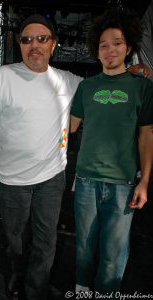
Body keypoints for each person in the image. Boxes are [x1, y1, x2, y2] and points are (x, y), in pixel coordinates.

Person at [0, 13, 151, 300]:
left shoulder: (69, 81)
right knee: (16, 240)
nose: (35, 45)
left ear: (54, 45)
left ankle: (35, 289)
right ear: (20, 45)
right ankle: (17, 268)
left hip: (52, 177)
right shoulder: (3, 77)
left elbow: (104, 83)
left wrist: (133, 70)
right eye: (27, 39)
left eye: (43, 38)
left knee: (46, 241)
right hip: (10, 178)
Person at [70, 7, 153, 294]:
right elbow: (68, 127)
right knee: (83, 245)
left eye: (117, 43)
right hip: (85, 181)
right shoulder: (86, 87)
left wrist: (145, 181)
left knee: (113, 253)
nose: (110, 50)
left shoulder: (142, 87)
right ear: (96, 50)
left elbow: (146, 135)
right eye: (103, 45)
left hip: (123, 184)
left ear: (129, 46)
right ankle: (81, 289)